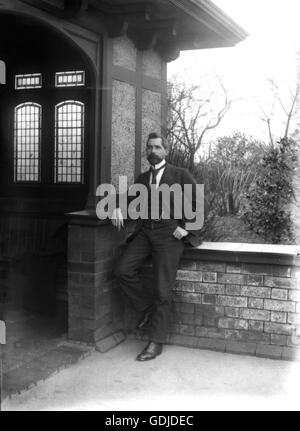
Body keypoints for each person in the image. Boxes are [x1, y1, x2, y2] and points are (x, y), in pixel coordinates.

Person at [112, 132, 202, 361]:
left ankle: (156, 342)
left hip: (169, 234)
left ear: (166, 150)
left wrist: (188, 230)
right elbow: (128, 198)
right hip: (145, 232)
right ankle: (146, 307)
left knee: (163, 289)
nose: (152, 151)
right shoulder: (142, 178)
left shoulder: (180, 175)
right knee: (122, 270)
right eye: (149, 148)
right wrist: (117, 207)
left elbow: (199, 202)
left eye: (157, 147)